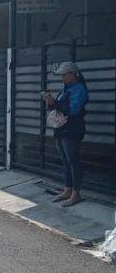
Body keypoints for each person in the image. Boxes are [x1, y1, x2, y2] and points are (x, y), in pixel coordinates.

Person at [41, 62, 89, 207]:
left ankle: (76, 193)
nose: (62, 78)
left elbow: (72, 110)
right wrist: (49, 101)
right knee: (65, 161)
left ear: (72, 74)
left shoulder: (79, 90)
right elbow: (58, 108)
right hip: (62, 130)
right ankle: (67, 189)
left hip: (72, 131)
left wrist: (54, 103)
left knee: (73, 161)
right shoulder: (65, 89)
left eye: (64, 75)